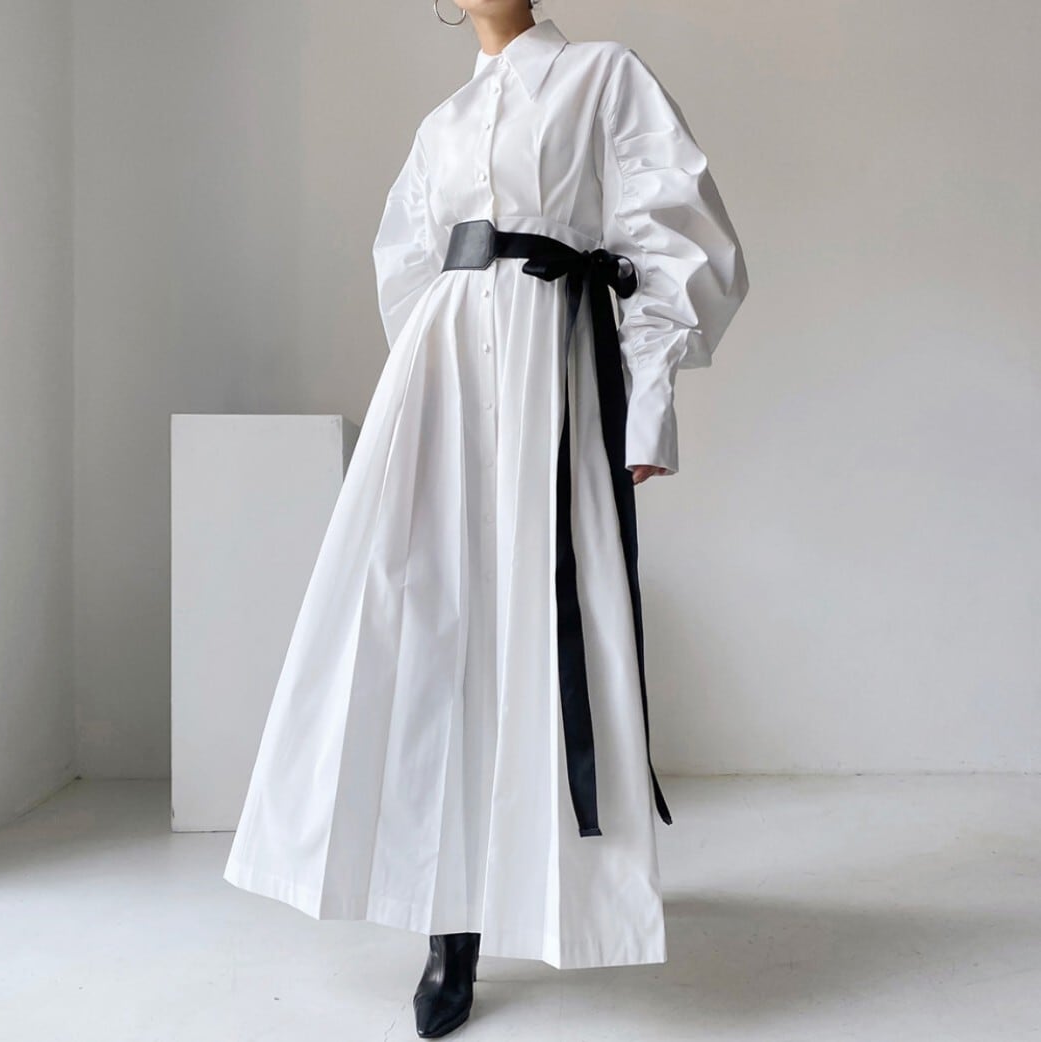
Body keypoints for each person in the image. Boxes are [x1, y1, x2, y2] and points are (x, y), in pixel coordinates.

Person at [223, 2, 749, 1037]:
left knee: (545, 623)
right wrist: (424, 394)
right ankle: (446, 920)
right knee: (429, 626)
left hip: (555, 364)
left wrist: (648, 401)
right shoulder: (444, 125)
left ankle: (559, 894)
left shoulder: (604, 75)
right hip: (444, 381)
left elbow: (678, 234)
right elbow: (408, 273)